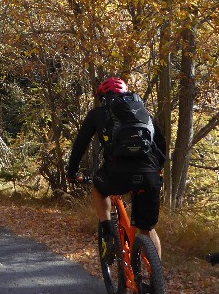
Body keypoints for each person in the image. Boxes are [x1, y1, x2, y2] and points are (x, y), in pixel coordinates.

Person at [66, 76, 166, 259]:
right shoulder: (144, 114)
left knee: (98, 187)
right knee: (148, 229)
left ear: (103, 97)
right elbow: (160, 144)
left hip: (117, 173)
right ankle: (156, 280)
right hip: (149, 173)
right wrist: (157, 170)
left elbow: (80, 145)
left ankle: (107, 232)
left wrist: (71, 172)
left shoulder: (98, 113)